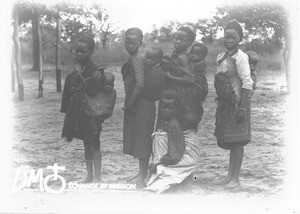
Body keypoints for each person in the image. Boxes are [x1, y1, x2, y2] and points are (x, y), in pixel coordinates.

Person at [121, 28, 165, 186]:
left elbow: (140, 84)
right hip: (137, 102)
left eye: (134, 42)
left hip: (142, 104)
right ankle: (141, 172)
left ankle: (143, 174)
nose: (130, 44)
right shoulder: (133, 58)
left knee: (143, 138)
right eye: (127, 41)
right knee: (138, 137)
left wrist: (130, 103)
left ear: (140, 42)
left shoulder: (139, 60)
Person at [214, 19, 253, 189]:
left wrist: (242, 107)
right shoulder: (220, 57)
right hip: (226, 104)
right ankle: (229, 175)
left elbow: (247, 82)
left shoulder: (241, 57)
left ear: (240, 39)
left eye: (233, 37)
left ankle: (235, 178)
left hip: (239, 104)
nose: (229, 40)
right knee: (231, 141)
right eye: (226, 37)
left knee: (238, 142)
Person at [60, 35, 105, 183]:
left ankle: (97, 177)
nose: (79, 54)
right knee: (86, 144)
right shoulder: (76, 70)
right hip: (79, 113)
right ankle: (89, 175)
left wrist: (80, 76)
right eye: (77, 50)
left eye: (83, 51)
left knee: (94, 143)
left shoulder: (96, 70)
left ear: (91, 52)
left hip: (91, 113)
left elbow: (92, 90)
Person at [145, 90, 201, 193]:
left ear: (177, 109)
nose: (166, 110)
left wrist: (159, 163)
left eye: (170, 108)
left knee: (158, 182)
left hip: (177, 157)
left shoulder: (173, 124)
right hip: (175, 155)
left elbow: (175, 153)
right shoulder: (168, 121)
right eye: (163, 107)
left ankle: (182, 182)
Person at [162, 27, 208, 127]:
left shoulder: (183, 57)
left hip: (184, 98)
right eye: (176, 38)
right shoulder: (178, 55)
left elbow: (190, 80)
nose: (178, 42)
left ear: (190, 43)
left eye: (183, 40)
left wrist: (170, 78)